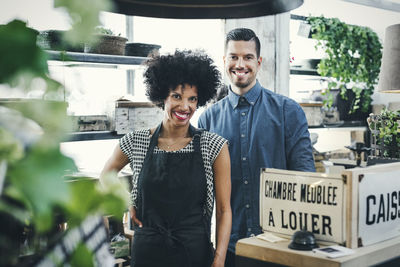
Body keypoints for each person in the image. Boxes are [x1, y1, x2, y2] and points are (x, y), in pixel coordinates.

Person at [100, 50, 232, 267]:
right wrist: (126, 201)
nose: (185, 106)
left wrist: (219, 259)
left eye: (192, 99)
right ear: (162, 96)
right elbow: (106, 178)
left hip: (193, 253)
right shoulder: (136, 141)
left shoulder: (214, 146)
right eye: (177, 96)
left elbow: (224, 210)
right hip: (147, 253)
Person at [198, 28, 315, 266]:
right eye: (233, 57)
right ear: (224, 61)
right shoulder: (207, 120)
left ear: (258, 62)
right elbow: (201, 191)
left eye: (248, 57)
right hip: (230, 249)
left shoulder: (288, 111)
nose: (240, 64)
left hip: (279, 247)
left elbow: (306, 180)